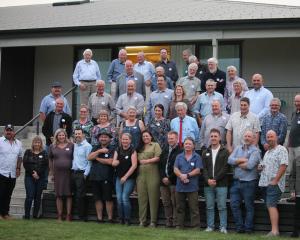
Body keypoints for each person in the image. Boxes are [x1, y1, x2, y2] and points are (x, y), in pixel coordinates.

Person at [228, 130, 261, 233]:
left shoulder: (256, 151)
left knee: (248, 207)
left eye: (249, 136)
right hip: (236, 182)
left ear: (253, 139)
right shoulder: (238, 148)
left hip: (249, 183)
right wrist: (243, 159)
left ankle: (248, 229)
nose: (247, 138)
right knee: (234, 205)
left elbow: (250, 165)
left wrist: (236, 162)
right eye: (245, 136)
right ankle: (239, 228)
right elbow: (229, 160)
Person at [258, 130, 288, 237]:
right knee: (270, 205)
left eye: (271, 136)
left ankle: (275, 231)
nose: (269, 138)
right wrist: (260, 167)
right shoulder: (267, 152)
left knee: (271, 205)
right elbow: (263, 166)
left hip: (275, 184)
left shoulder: (281, 149)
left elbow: (284, 165)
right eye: (268, 137)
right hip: (266, 184)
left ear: (276, 138)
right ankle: (274, 230)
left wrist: (275, 180)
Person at [202, 129, 230, 233]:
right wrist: (208, 180)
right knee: (209, 207)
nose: (213, 138)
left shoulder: (225, 151)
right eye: (212, 136)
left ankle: (223, 227)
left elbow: (225, 168)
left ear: (220, 138)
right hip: (208, 184)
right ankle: (210, 226)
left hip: (221, 184)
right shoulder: (205, 152)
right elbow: (203, 169)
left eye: (215, 136)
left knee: (222, 206)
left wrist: (215, 179)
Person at [174, 137, 202, 229]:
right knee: (179, 207)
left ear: (193, 146)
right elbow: (175, 169)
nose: (187, 145)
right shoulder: (179, 156)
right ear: (183, 145)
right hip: (180, 185)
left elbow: (198, 170)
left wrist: (187, 175)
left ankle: (195, 227)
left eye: (190, 144)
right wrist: (181, 176)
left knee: (194, 208)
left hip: (192, 186)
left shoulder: (197, 157)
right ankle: (179, 225)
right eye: (186, 144)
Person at [88, 129, 115, 223]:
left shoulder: (113, 148)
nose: (103, 138)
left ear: (109, 139)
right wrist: (100, 151)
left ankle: (110, 218)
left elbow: (111, 162)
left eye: (105, 137)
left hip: (107, 177)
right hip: (95, 177)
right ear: (98, 138)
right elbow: (89, 157)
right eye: (101, 137)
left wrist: (97, 158)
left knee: (108, 198)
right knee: (97, 198)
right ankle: (99, 218)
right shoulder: (95, 147)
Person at [137, 130, 162, 227]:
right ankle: (142, 221)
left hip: (153, 173)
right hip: (141, 175)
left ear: (151, 137)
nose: (145, 138)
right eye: (143, 136)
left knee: (153, 198)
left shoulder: (155, 145)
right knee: (142, 199)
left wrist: (147, 161)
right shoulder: (139, 147)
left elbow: (158, 158)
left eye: (147, 136)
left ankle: (153, 221)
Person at [112, 133, 138, 225]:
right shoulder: (117, 149)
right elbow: (113, 162)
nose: (124, 141)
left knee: (124, 197)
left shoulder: (133, 151)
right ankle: (120, 218)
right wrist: (115, 162)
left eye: (126, 139)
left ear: (130, 140)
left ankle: (127, 219)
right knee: (119, 198)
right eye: (123, 139)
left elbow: (134, 165)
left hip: (129, 178)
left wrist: (125, 177)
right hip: (119, 177)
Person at [48, 128, 74, 221]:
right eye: (59, 135)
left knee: (68, 194)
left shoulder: (71, 145)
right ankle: (59, 215)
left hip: (69, 173)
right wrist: (51, 172)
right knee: (58, 195)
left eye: (63, 135)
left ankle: (68, 215)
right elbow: (50, 159)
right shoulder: (52, 146)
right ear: (56, 136)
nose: (61, 137)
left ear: (66, 136)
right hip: (57, 173)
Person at [159, 131, 182, 227]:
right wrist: (163, 177)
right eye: (169, 138)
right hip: (163, 182)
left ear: (177, 139)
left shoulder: (180, 151)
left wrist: (169, 178)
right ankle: (168, 222)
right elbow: (160, 165)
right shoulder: (164, 149)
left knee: (175, 203)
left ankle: (176, 223)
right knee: (166, 203)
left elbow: (179, 167)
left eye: (172, 138)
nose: (170, 140)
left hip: (174, 181)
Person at [0, 124, 23, 220]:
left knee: (8, 194)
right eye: (7, 130)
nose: (9, 132)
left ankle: (5, 213)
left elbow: (20, 157)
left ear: (14, 132)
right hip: (1, 172)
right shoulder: (0, 141)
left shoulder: (19, 143)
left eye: (10, 130)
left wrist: (18, 168)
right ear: (4, 131)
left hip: (12, 174)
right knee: (1, 194)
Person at [23, 136, 48, 219]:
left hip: (40, 178)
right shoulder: (28, 152)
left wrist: (38, 174)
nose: (37, 144)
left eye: (38, 142)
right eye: (35, 142)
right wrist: (33, 173)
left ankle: (35, 215)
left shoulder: (44, 153)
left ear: (41, 143)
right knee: (30, 196)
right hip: (29, 177)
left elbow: (45, 165)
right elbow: (25, 163)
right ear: (32, 143)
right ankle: (27, 215)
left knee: (37, 197)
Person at [71, 128, 92, 221]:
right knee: (75, 195)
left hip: (82, 173)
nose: (77, 135)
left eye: (79, 134)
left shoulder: (87, 146)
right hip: (74, 173)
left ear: (83, 134)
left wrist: (86, 174)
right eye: (76, 134)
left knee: (81, 196)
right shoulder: (75, 145)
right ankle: (78, 215)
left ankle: (82, 217)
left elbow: (90, 162)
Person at [287, 94, 300, 175]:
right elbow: (292, 130)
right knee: (290, 168)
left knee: (299, 167)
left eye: (299, 101)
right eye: (296, 101)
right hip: (291, 145)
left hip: (299, 146)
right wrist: (288, 143)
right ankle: (291, 186)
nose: (297, 103)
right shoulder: (294, 113)